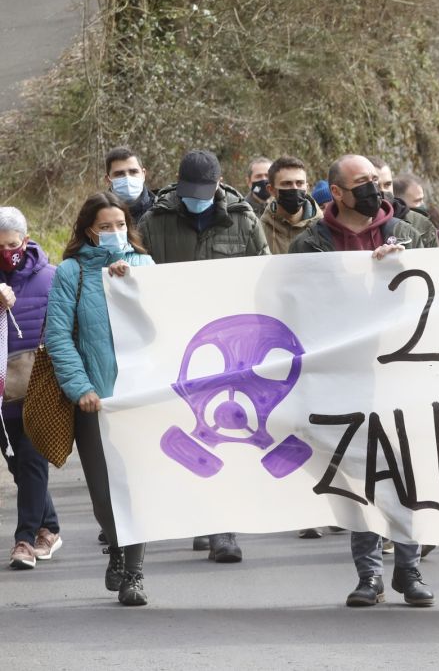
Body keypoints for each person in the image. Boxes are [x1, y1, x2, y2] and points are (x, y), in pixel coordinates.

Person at [287, 156, 434, 606]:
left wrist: (398, 271)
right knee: (359, 476)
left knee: (405, 472)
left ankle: (409, 569)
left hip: (401, 374)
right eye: (361, 183)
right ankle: (369, 575)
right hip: (342, 378)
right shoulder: (310, 245)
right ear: (336, 193)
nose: (373, 189)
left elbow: (438, 294)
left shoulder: (410, 234)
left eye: (375, 180)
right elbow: (297, 308)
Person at [137, 149, 268, 563]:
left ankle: (223, 528)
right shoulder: (153, 222)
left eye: (204, 192)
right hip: (175, 347)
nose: (196, 199)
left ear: (218, 185)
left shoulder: (244, 220)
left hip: (231, 349)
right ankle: (200, 512)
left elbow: (265, 279)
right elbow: (135, 275)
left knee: (226, 432)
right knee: (185, 430)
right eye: (190, 191)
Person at [46, 192, 155, 605]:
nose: (114, 232)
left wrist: (131, 286)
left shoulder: (145, 266)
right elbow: (58, 337)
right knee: (104, 493)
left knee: (136, 487)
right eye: (105, 227)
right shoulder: (70, 272)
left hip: (140, 400)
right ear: (88, 231)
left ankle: (134, 574)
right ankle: (116, 545)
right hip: (95, 402)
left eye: (120, 225)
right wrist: (81, 388)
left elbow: (162, 327)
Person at [0, 208, 58, 571]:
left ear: (26, 239)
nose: (7, 252)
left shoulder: (51, 277)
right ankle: (49, 527)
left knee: (33, 461)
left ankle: (24, 540)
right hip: (3, 393)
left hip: (39, 388)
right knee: (20, 467)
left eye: (12, 245)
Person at [259, 157, 320, 257]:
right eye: (287, 183)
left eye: (299, 183)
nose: (295, 188)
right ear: (271, 190)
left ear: (307, 187)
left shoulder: (323, 229)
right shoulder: (260, 231)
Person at [104, 147, 154, 223]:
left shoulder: (160, 211)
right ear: (108, 179)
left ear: (143, 174)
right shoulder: (97, 214)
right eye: (119, 174)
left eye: (133, 172)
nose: (127, 178)